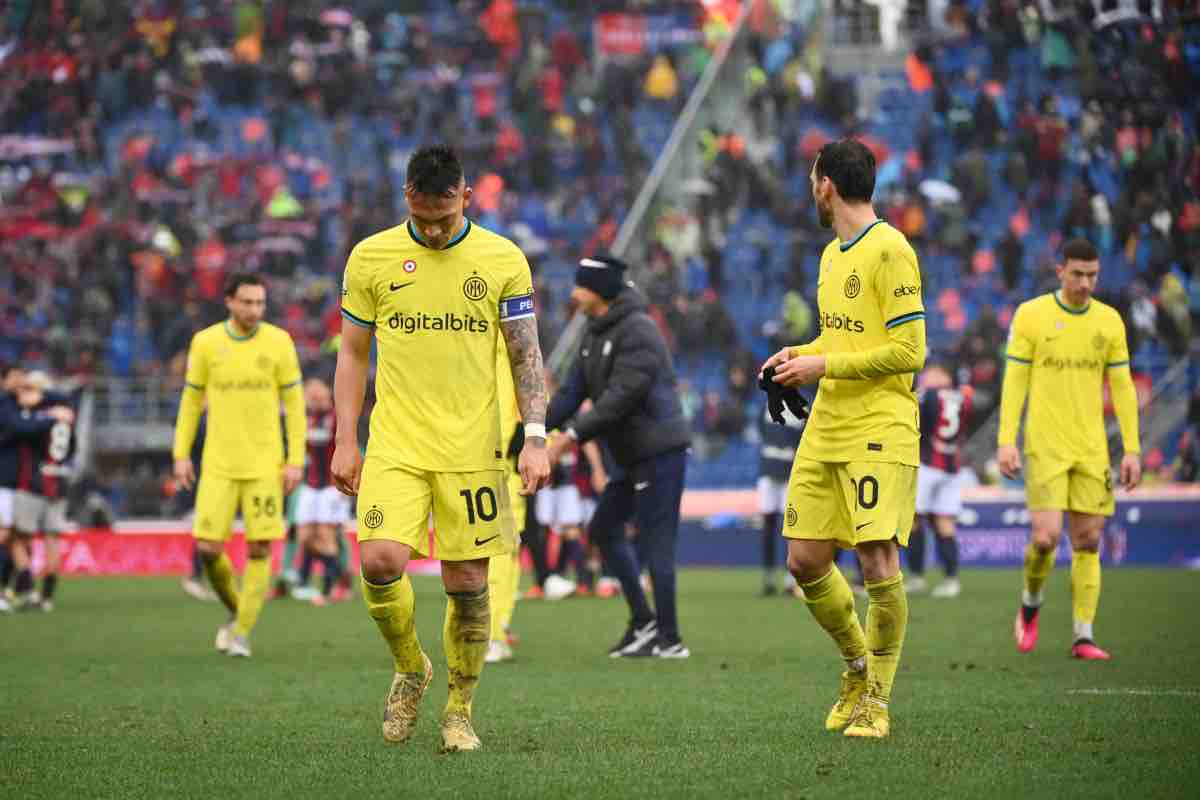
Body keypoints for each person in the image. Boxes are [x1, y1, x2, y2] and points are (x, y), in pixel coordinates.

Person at [331, 145, 550, 754]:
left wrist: (534, 437)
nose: (432, 229)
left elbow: (526, 354)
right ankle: (410, 667)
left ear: (467, 198)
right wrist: (346, 439)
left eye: (445, 217)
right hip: (396, 441)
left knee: (467, 583)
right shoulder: (371, 257)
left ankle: (459, 709)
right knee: (378, 561)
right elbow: (351, 355)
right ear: (407, 197)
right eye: (423, 217)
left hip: (473, 448)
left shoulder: (502, 258)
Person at [761, 138, 926, 739]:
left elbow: (911, 352)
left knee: (877, 560)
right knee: (805, 559)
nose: (811, 187)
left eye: (812, 178)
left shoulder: (891, 249)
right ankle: (857, 667)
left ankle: (876, 702)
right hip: (827, 425)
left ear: (825, 182)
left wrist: (822, 366)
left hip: (879, 426)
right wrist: (796, 356)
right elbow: (843, 339)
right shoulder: (833, 254)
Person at [997, 237, 1141, 661]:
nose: (1085, 283)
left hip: (1092, 448)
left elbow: (1123, 389)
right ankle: (1031, 603)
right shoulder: (1032, 316)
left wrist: (1132, 449)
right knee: (1045, 538)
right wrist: (1007, 439)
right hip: (1044, 445)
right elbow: (1015, 381)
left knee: (1089, 539)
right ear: (1060, 271)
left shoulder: (1109, 322)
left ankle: (1083, 635)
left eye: (1092, 275)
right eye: (1077, 274)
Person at [545, 254, 692, 659]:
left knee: (657, 544)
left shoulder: (639, 330)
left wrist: (568, 438)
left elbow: (619, 399)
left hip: (660, 452)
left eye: (581, 285)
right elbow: (571, 394)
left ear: (600, 291)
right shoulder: (595, 332)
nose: (574, 292)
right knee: (604, 528)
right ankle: (644, 623)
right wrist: (530, 431)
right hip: (632, 456)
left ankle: (670, 638)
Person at [172, 272, 307, 658]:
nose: (255, 309)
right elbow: (191, 402)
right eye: (247, 302)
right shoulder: (206, 342)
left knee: (261, 548)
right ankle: (239, 609)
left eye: (260, 303)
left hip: (266, 465)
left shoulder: (279, 342)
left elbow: (295, 408)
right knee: (208, 547)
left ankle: (242, 632)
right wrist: (180, 453)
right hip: (218, 464)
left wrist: (295, 459)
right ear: (229, 301)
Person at [10, 371, 78, 612]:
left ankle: (27, 587)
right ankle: (47, 598)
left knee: (16, 538)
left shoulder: (36, 416)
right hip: (59, 482)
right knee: (52, 542)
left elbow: (24, 437)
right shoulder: (67, 415)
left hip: (34, 481)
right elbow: (71, 450)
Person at [907, 364, 973, 598]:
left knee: (914, 519)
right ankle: (951, 579)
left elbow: (914, 423)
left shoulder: (927, 394)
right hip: (951, 467)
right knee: (945, 523)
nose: (926, 377)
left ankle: (916, 576)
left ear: (944, 375)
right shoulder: (963, 397)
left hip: (926, 464)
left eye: (932, 373)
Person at [294, 377, 349, 605]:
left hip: (331, 487)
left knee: (327, 537)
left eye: (319, 395)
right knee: (305, 537)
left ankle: (328, 591)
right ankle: (342, 578)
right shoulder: (305, 419)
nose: (315, 400)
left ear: (327, 395)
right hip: (310, 486)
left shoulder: (337, 418)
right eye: (311, 396)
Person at [757, 394, 807, 597]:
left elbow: (805, 437)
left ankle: (791, 578)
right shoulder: (767, 404)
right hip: (769, 471)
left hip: (790, 473)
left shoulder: (801, 407)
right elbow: (761, 431)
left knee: (791, 526)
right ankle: (768, 577)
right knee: (768, 524)